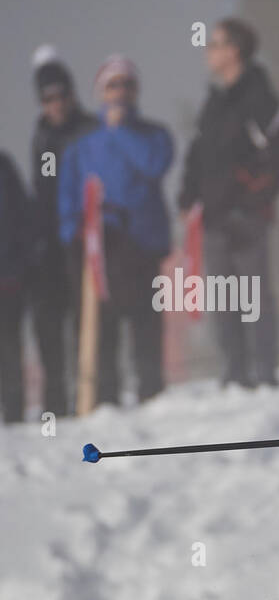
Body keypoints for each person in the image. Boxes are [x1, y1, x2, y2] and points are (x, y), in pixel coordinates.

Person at [178, 17, 279, 388]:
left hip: (247, 218)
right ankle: (234, 374)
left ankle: (265, 374)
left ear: (236, 50)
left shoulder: (259, 96)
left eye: (215, 44)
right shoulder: (214, 100)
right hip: (212, 219)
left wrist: (254, 201)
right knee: (224, 300)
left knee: (254, 297)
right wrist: (187, 194)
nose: (208, 52)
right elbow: (197, 154)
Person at [59, 56, 173, 406]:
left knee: (145, 321)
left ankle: (151, 391)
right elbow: (68, 195)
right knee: (103, 326)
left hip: (143, 242)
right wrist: (71, 240)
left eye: (127, 84)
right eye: (112, 85)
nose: (120, 92)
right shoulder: (82, 145)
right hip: (102, 246)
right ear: (100, 93)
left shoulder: (154, 135)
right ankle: (104, 396)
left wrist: (120, 130)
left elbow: (155, 165)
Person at [28, 48, 96, 418]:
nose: (55, 104)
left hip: (83, 241)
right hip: (50, 247)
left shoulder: (87, 131)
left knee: (84, 324)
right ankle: (55, 406)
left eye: (60, 95)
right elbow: (44, 188)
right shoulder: (42, 137)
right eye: (47, 98)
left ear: (72, 94)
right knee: (48, 326)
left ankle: (90, 398)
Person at [0, 151, 30, 424]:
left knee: (9, 348)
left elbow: (22, 218)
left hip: (6, 278)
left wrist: (19, 265)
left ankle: (13, 413)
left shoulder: (5, 168)